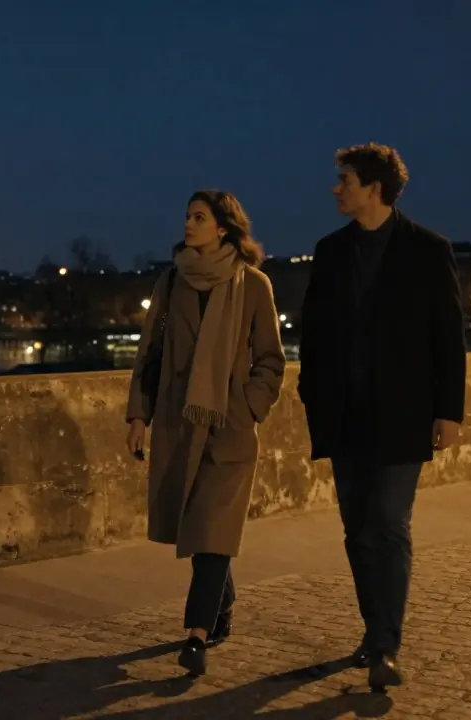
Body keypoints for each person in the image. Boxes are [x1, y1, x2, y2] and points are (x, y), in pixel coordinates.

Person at [297, 143, 466, 690]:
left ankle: (385, 646)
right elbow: (314, 335)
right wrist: (310, 394)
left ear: (373, 188)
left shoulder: (427, 249)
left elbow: (449, 336)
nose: (335, 188)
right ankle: (375, 633)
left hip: (402, 412)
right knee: (357, 531)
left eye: (343, 179)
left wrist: (448, 412)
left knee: (389, 525)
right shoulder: (329, 251)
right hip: (345, 414)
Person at [125, 189, 286, 677]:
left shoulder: (253, 284)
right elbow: (149, 355)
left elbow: (271, 360)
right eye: (187, 216)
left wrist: (247, 407)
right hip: (180, 424)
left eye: (198, 217)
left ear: (222, 227)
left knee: (211, 529)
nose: (188, 224)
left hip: (228, 429)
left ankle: (195, 633)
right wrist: (138, 417)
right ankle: (222, 604)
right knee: (201, 532)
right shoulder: (171, 282)